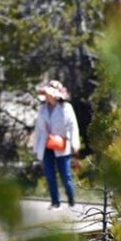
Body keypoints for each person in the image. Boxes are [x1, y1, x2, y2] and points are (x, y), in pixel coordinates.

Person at [33, 80, 80, 209]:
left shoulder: (66, 108)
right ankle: (55, 201)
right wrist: (36, 148)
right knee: (49, 174)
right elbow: (38, 129)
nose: (48, 96)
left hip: (61, 145)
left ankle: (71, 197)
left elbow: (73, 126)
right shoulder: (42, 109)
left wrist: (75, 143)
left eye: (50, 94)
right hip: (46, 145)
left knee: (65, 174)